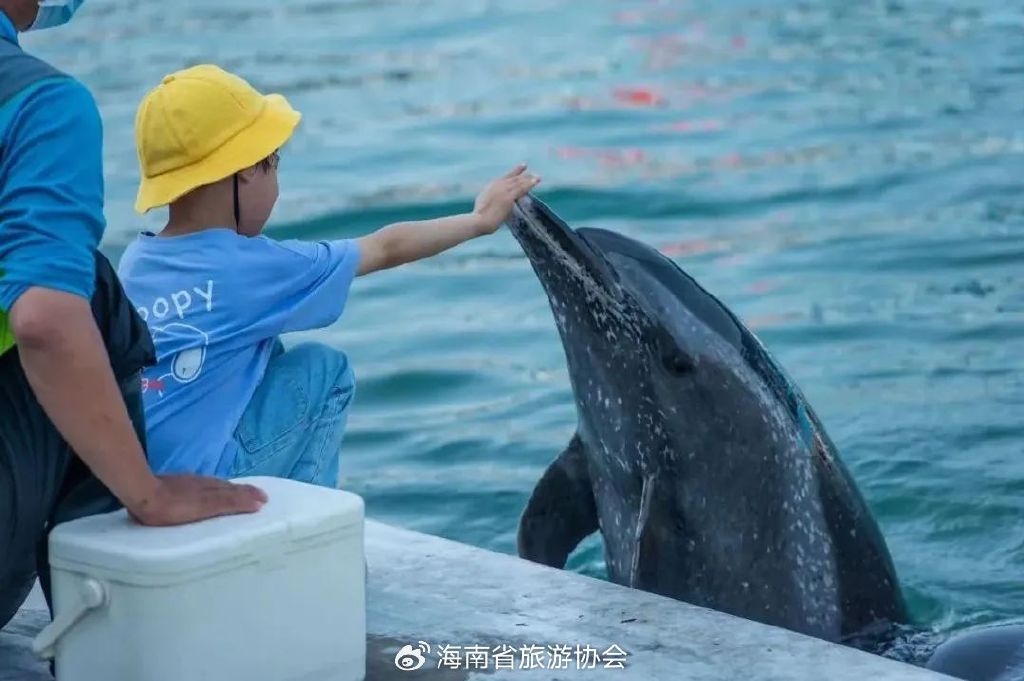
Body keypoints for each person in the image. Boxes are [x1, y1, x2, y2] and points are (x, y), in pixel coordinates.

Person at [119, 64, 540, 489]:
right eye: (274, 162)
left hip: (143, 483)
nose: (276, 180)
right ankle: (308, 514)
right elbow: (385, 247)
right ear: (245, 168)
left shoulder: (136, 261)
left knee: (264, 348)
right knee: (324, 369)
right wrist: (479, 220)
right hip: (207, 482)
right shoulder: (250, 267)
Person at [0, 0, 266, 629]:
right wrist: (148, 493)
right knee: (90, 294)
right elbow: (44, 319)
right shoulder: (38, 101)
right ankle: (106, 618)